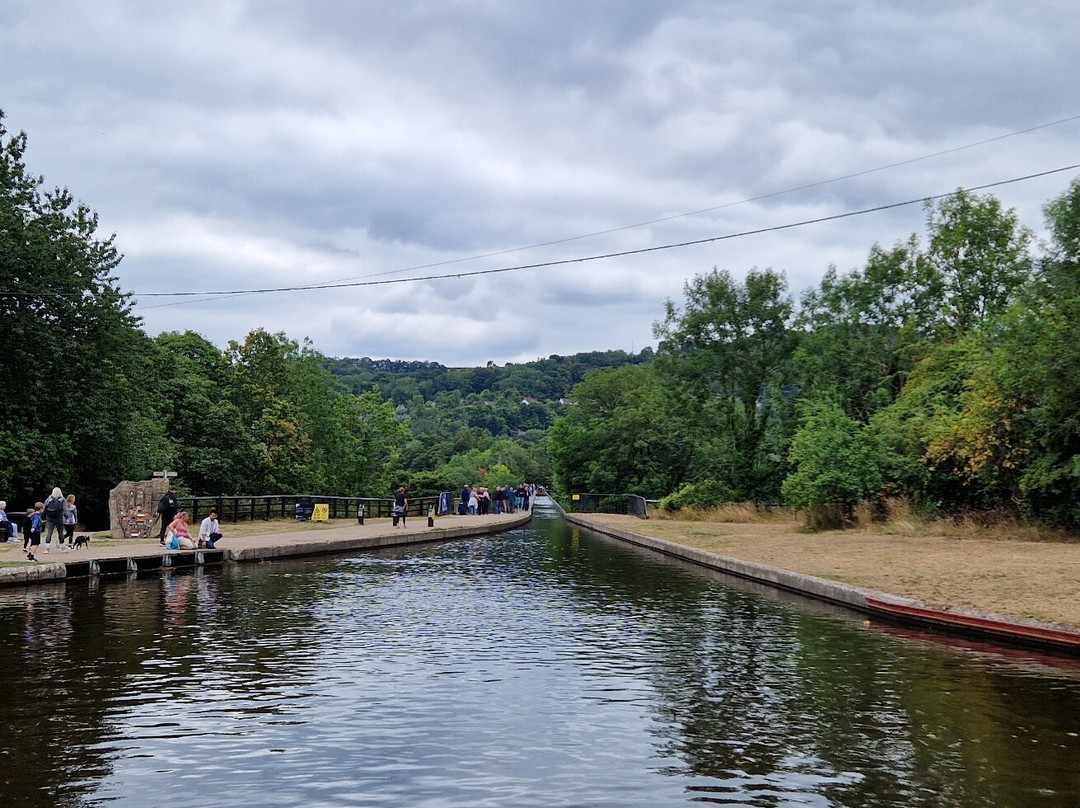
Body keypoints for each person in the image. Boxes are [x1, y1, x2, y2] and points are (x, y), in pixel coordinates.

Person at [42, 487, 65, 553]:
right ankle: (63, 547)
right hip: (58, 517)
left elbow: (44, 508)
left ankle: (47, 548)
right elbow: (64, 509)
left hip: (49, 518)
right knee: (60, 532)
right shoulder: (62, 499)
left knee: (49, 532)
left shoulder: (48, 499)